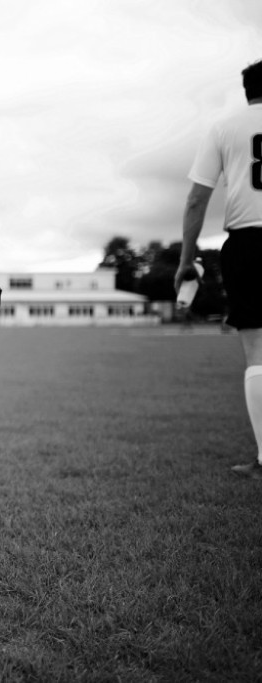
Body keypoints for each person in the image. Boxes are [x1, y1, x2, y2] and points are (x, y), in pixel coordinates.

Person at [178, 58, 262, 480]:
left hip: (248, 243)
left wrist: (185, 260)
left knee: (257, 350)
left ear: (247, 91)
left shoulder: (225, 127)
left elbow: (197, 199)